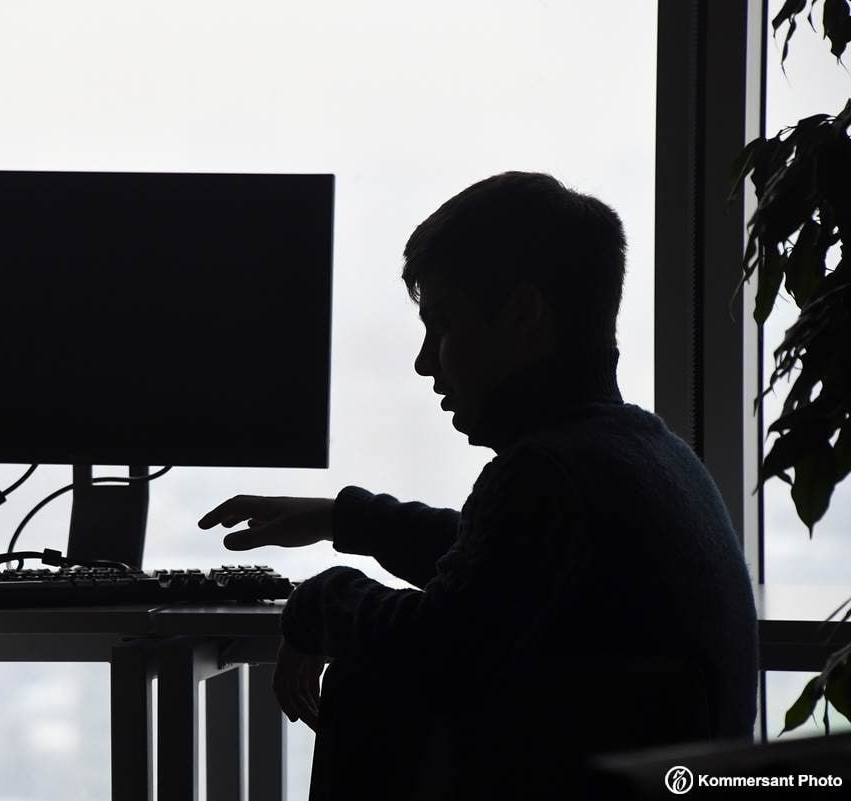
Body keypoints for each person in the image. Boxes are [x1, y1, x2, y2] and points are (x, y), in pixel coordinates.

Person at [197, 172, 759, 800]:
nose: (424, 359)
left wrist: (317, 601)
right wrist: (342, 520)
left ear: (523, 314)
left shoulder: (547, 473)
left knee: (373, 683)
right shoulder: (644, 452)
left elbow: (434, 649)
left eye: (441, 322)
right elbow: (505, 569)